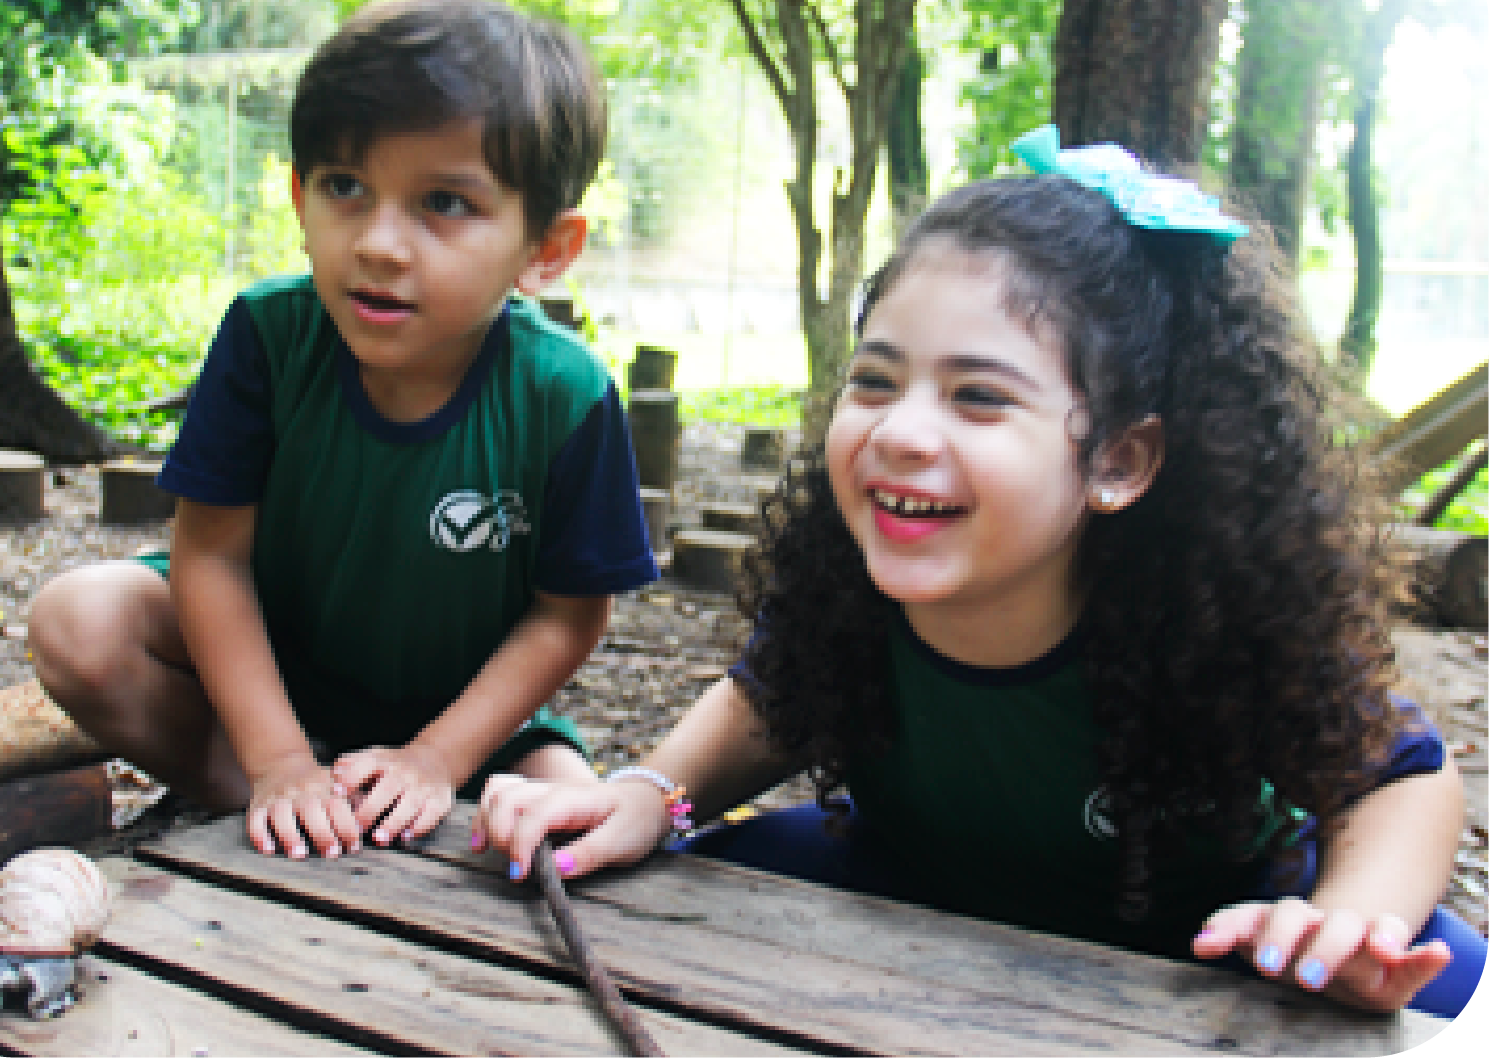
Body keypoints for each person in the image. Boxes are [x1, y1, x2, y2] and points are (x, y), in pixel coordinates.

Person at [475, 125, 1485, 1018]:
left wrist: (1347, 922)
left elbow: (1402, 778)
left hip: (1195, 946)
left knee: (1453, 995)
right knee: (643, 905)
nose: (901, 431)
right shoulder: (850, 592)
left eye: (979, 398)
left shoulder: (1207, 627)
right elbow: (769, 700)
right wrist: (652, 788)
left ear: (1118, 461)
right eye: (874, 381)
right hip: (901, 881)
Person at [29, 0, 658, 863]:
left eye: (442, 201)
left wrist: (439, 757)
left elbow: (567, 617)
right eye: (345, 188)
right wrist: (277, 758)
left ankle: (381, 805)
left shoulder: (567, 393)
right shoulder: (268, 335)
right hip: (262, 687)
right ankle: (285, 799)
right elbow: (209, 557)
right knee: (79, 623)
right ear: (298, 194)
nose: (379, 244)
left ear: (544, 248)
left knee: (567, 820)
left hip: (470, 720)